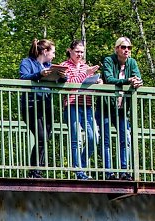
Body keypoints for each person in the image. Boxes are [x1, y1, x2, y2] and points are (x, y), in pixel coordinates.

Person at [96, 37, 143, 181]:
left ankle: (124, 171)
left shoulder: (132, 62)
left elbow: (138, 77)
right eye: (123, 47)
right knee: (106, 140)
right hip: (105, 106)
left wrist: (137, 81)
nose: (126, 50)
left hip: (122, 108)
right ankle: (108, 173)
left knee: (126, 138)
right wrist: (127, 81)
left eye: (129, 47)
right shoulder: (109, 60)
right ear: (117, 49)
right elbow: (109, 79)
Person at [60, 40, 102, 181]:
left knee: (94, 137)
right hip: (72, 104)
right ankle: (79, 171)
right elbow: (70, 85)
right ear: (70, 51)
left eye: (82, 51)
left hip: (87, 105)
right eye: (77, 51)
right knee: (76, 138)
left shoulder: (85, 66)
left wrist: (97, 82)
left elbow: (89, 85)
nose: (80, 54)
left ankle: (82, 164)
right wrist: (86, 73)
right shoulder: (64, 66)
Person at [18, 39, 61, 178]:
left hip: (46, 104)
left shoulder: (49, 65)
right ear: (45, 51)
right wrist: (40, 74)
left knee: (45, 138)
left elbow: (57, 80)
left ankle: (37, 170)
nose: (54, 55)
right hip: (31, 105)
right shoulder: (27, 62)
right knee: (41, 137)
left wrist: (62, 77)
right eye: (53, 52)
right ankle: (34, 171)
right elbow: (24, 78)